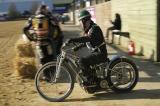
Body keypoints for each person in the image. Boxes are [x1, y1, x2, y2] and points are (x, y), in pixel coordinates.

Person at [66, 10, 108, 85]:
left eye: (81, 22)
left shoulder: (95, 28)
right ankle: (93, 77)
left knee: (82, 61)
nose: (81, 24)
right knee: (80, 60)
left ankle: (92, 81)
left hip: (101, 54)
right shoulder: (90, 29)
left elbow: (88, 39)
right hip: (96, 52)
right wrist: (77, 47)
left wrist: (73, 39)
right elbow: (88, 41)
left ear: (86, 21)